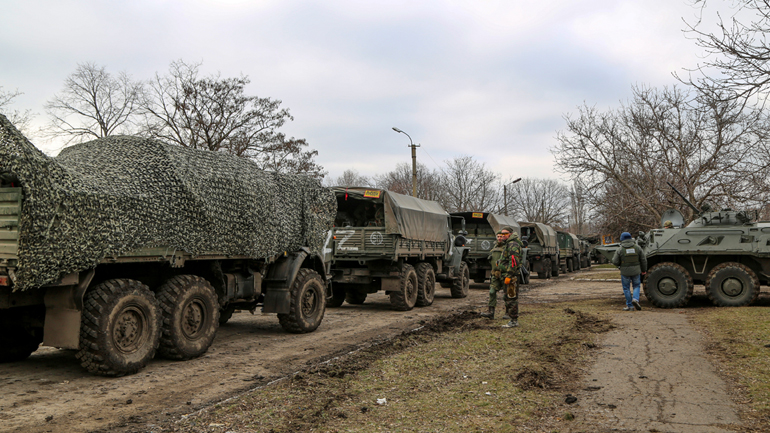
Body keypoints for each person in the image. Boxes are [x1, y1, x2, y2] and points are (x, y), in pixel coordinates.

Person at [480, 226, 523, 328]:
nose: (503, 236)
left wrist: (509, 275)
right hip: (504, 275)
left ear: (510, 234)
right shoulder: (508, 244)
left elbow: (513, 262)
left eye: (505, 234)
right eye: (501, 234)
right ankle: (512, 319)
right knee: (507, 297)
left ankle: (513, 320)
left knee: (511, 297)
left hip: (511, 276)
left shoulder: (513, 245)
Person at [612, 231, 647, 311]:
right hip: (636, 271)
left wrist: (620, 264)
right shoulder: (637, 247)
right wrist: (644, 270)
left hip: (625, 271)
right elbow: (643, 260)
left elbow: (615, 261)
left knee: (626, 288)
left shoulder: (620, 249)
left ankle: (630, 306)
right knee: (636, 286)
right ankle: (635, 299)